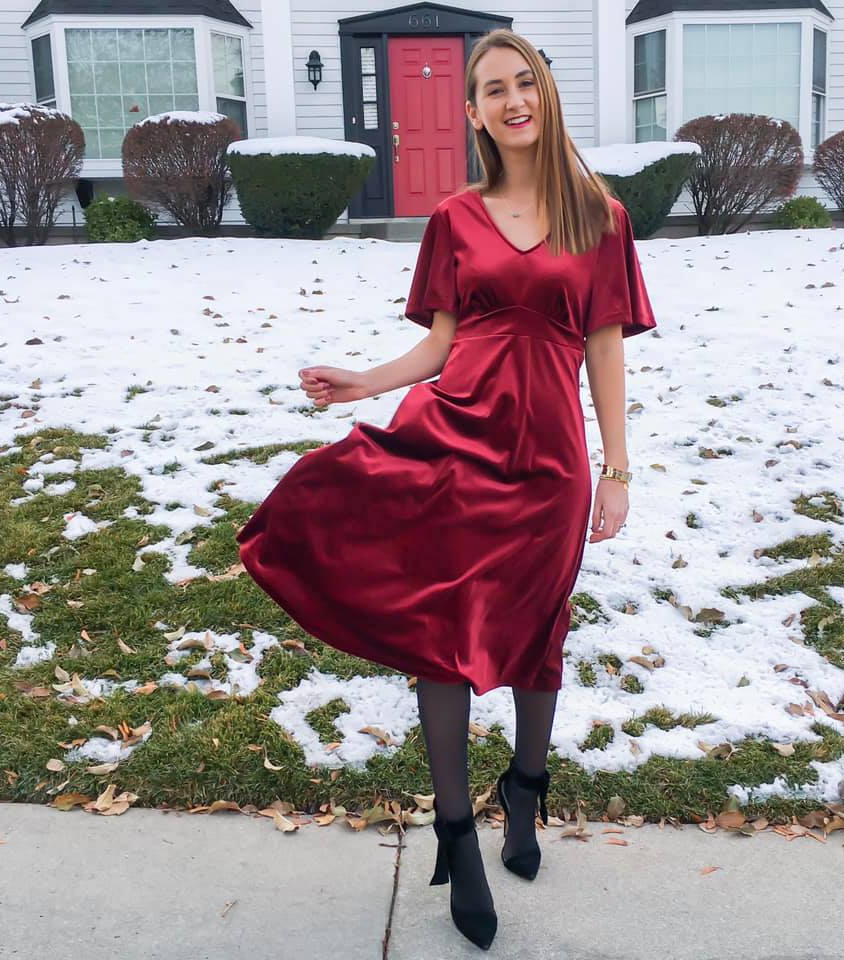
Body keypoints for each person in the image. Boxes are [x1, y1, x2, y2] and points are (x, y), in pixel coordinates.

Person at [235, 27, 656, 952]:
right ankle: (457, 832)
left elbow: (605, 350)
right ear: (472, 113)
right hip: (460, 439)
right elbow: (439, 345)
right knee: (446, 625)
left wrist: (617, 468)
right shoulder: (453, 220)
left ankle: (527, 787)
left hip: (551, 461)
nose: (513, 100)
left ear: (544, 93)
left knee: (541, 628)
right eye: (493, 90)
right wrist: (362, 382)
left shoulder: (599, 214)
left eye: (525, 83)